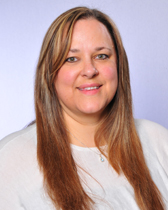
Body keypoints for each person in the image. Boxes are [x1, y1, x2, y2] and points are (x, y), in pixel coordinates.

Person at [0, 6, 168, 210]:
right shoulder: (10, 160)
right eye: (71, 59)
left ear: (119, 66)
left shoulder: (158, 141)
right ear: (50, 73)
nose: (89, 70)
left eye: (102, 56)